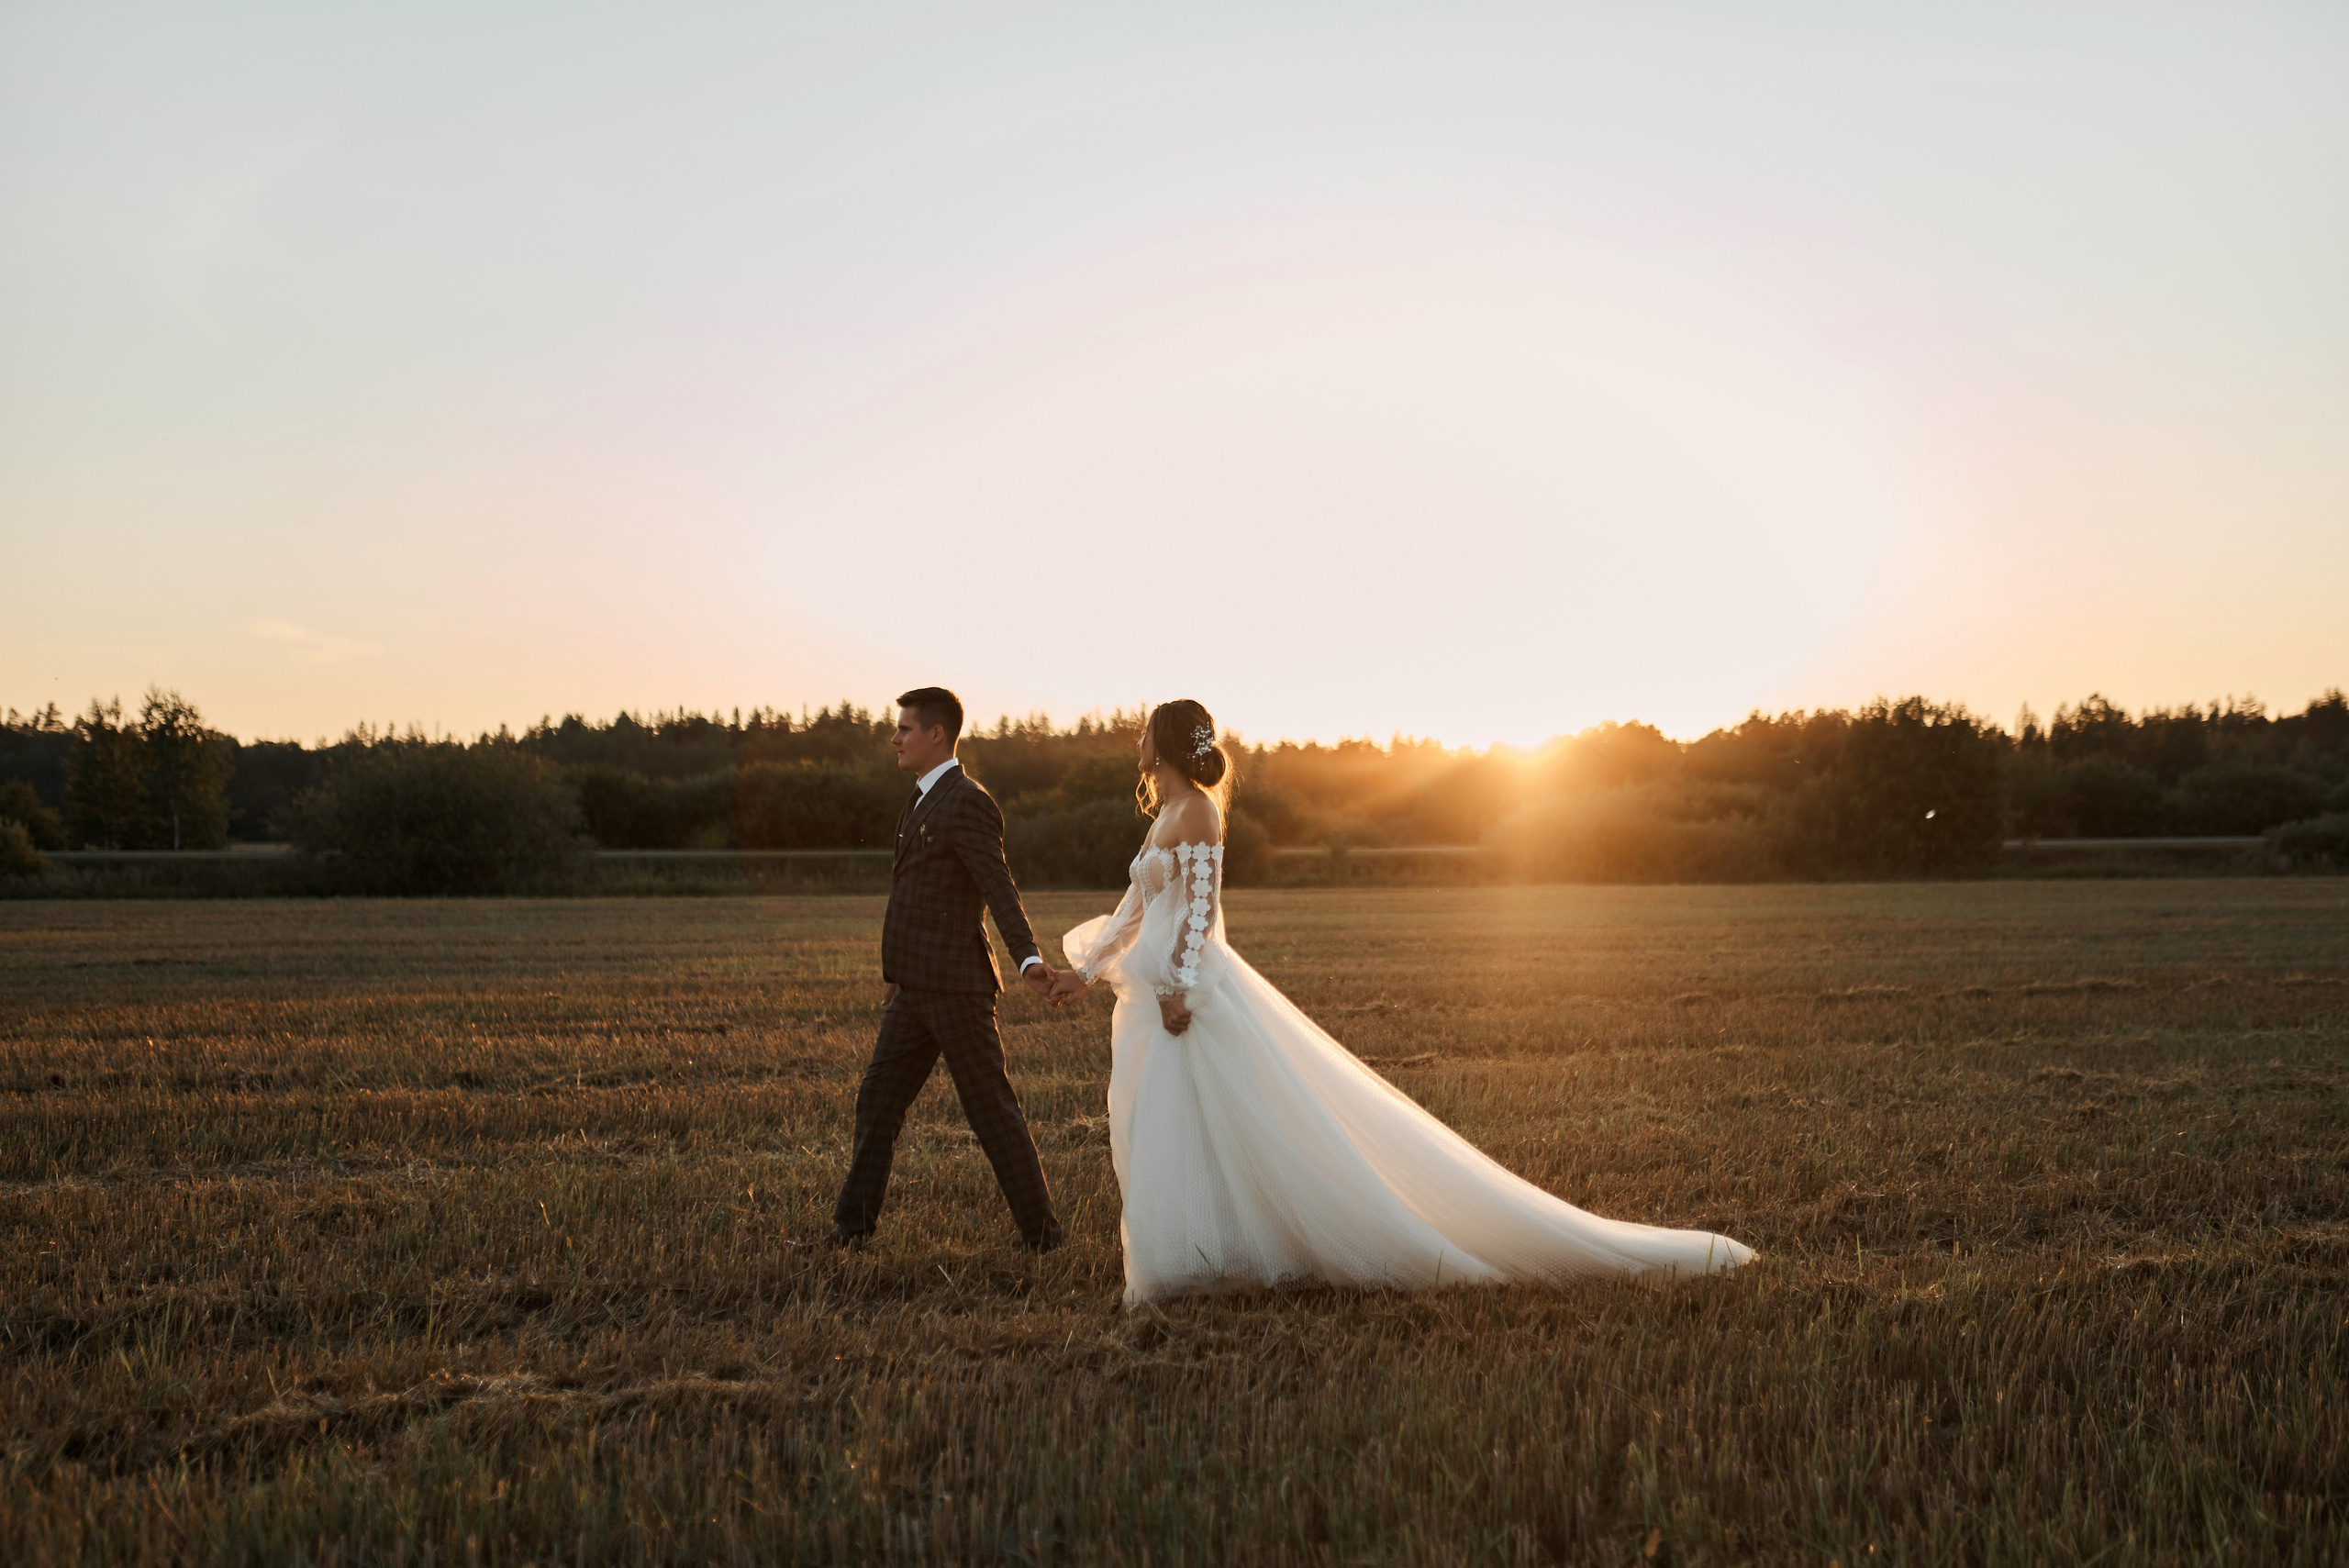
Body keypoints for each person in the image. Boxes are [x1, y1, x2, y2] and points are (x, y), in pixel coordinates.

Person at [1046, 698, 1754, 1307]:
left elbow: (1201, 914)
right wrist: (1085, 970)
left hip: (1188, 994)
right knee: (1164, 1123)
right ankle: (1186, 1259)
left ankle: (1225, 1257)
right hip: (1153, 995)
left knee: (1224, 1122)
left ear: (1163, 744)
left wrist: (1179, 989)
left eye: (1144, 732)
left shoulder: (1198, 811)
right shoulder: (1165, 809)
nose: (1135, 742)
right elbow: (1133, 907)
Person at [829, 687, 1064, 1252]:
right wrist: (894, 968)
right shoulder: (918, 799)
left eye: (905, 729)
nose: (895, 738)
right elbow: (908, 893)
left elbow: (996, 885)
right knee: (878, 1100)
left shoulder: (968, 801)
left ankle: (1043, 1236)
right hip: (914, 987)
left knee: (990, 1112)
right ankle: (851, 1230)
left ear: (937, 734)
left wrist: (1027, 956)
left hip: (958, 989)